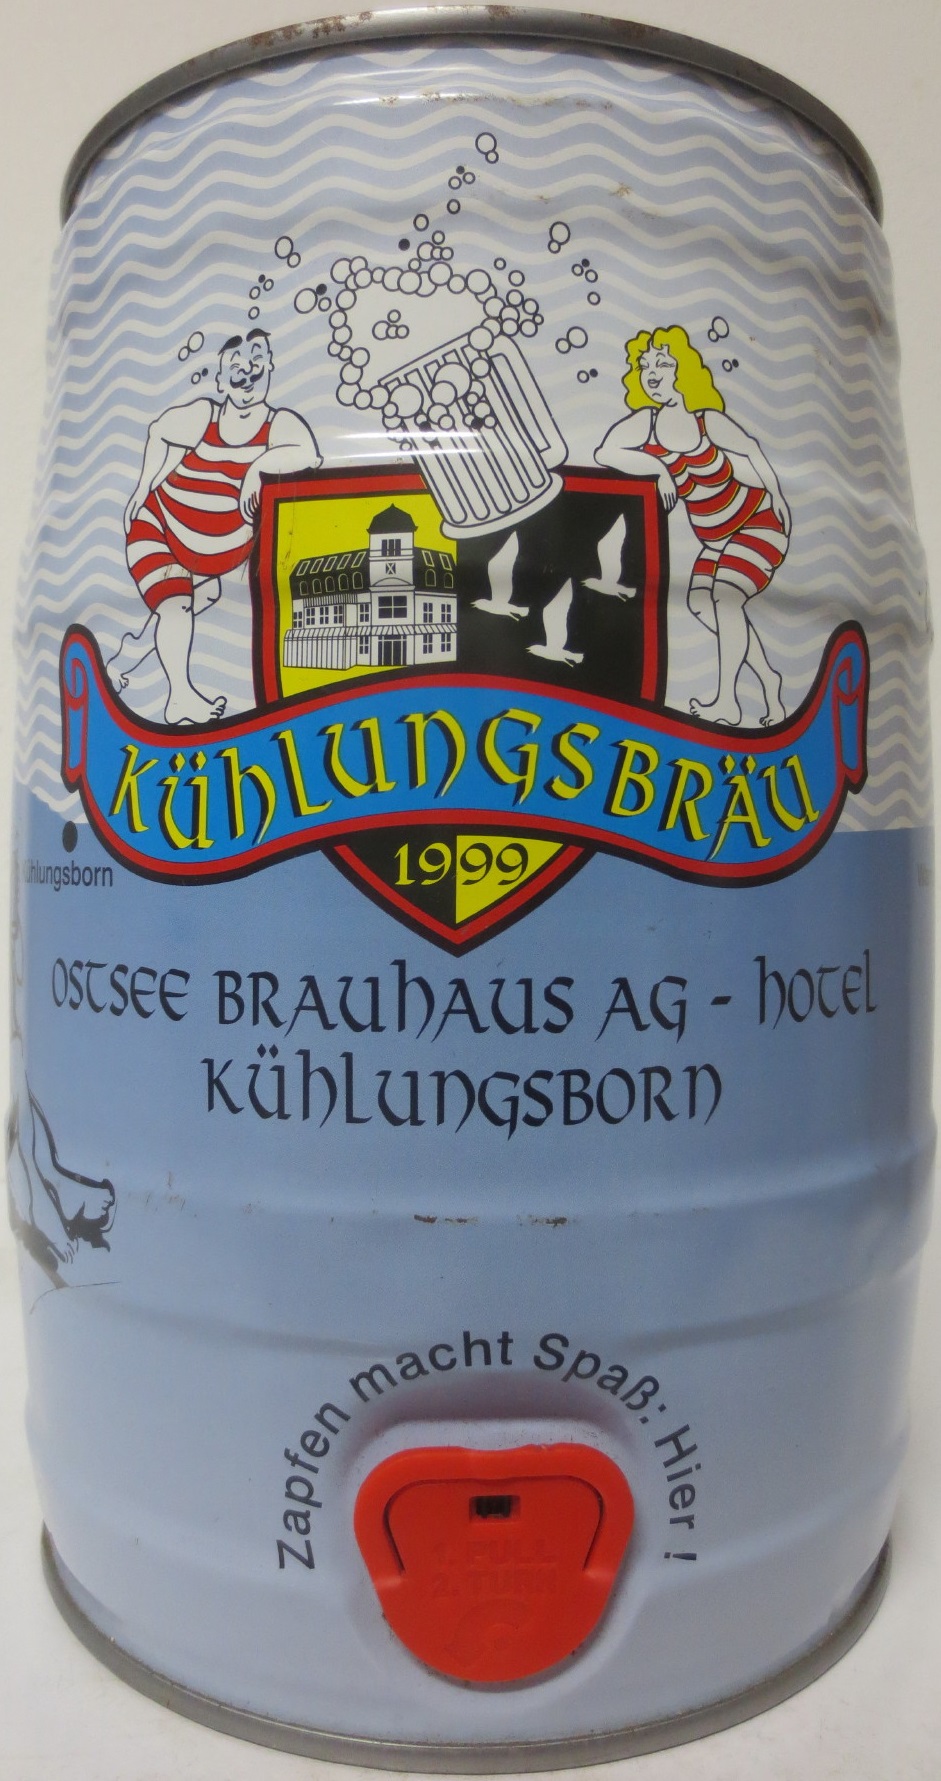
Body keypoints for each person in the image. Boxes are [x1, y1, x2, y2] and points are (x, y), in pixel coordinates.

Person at [116, 329, 321, 724]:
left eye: (256, 362)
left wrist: (258, 467)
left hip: (211, 555)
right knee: (176, 606)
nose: (247, 374)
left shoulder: (278, 425)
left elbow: (308, 453)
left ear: (270, 367)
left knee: (198, 601)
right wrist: (142, 487)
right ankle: (179, 699)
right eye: (236, 367)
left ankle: (127, 657)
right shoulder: (204, 416)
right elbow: (158, 430)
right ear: (221, 380)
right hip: (160, 528)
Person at [595, 325, 790, 726]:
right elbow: (605, 451)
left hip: (756, 523)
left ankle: (727, 702)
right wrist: (658, 468)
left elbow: (751, 450)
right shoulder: (645, 425)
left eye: (663, 365)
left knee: (725, 598)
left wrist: (778, 496)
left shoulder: (707, 422)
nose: (652, 374)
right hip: (716, 542)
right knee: (703, 605)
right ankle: (769, 680)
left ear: (683, 371)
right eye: (646, 366)